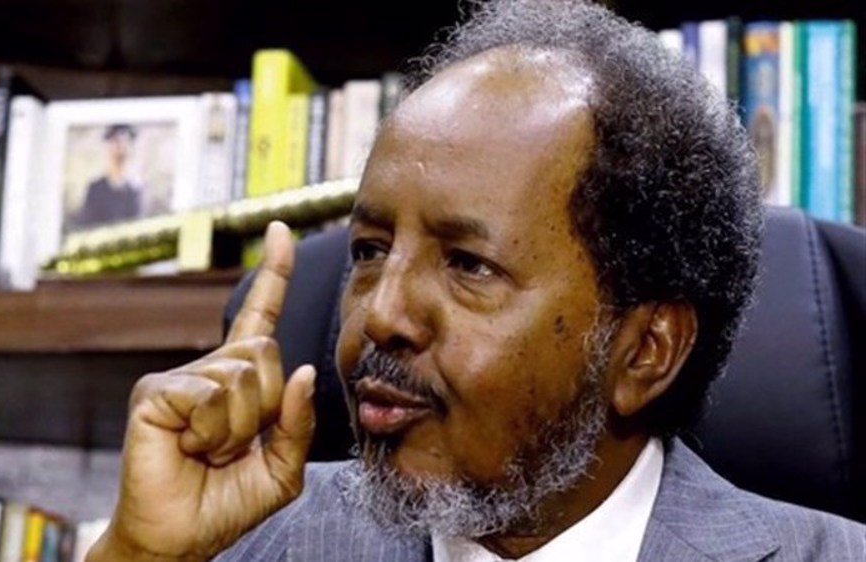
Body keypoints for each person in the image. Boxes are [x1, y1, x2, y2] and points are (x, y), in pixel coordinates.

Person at [88, 1, 865, 560]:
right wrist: (137, 554)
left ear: (644, 352)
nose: (380, 316)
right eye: (368, 251)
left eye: (468, 265)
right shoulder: (248, 542)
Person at [73, 123, 143, 229]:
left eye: (126, 142)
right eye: (116, 142)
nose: (121, 147)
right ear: (109, 148)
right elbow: (86, 227)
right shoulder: (95, 189)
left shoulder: (135, 191)